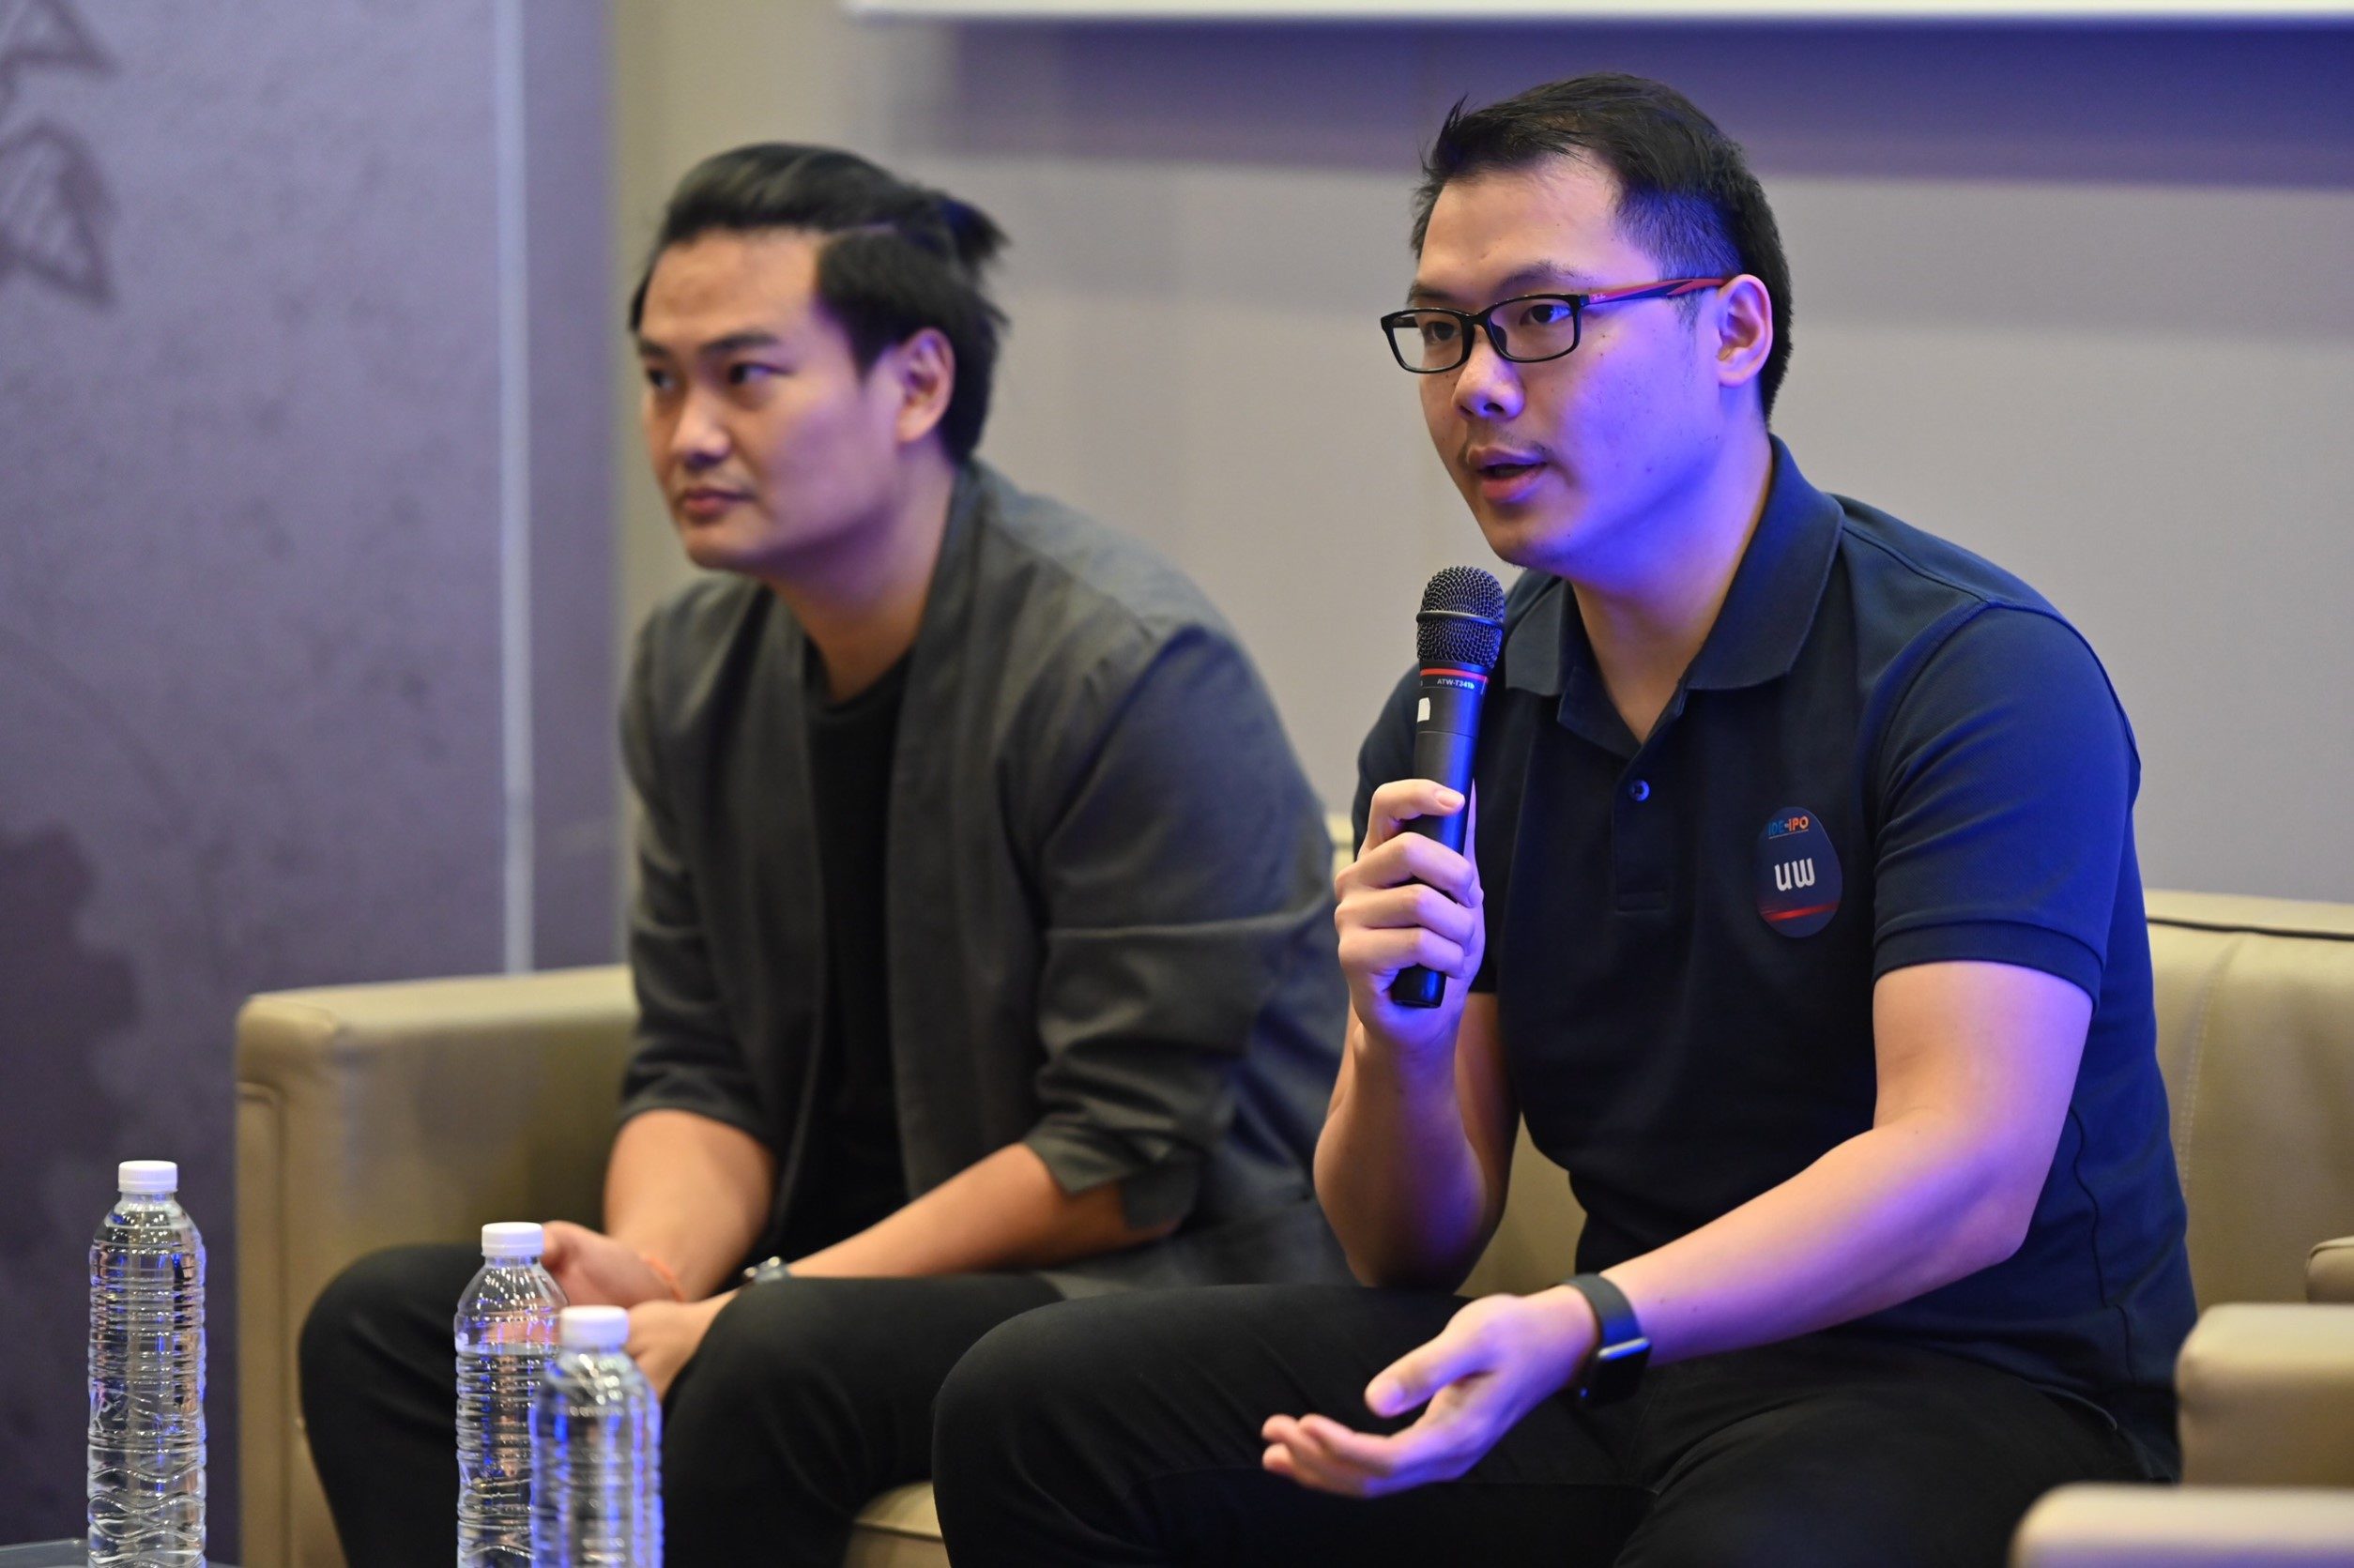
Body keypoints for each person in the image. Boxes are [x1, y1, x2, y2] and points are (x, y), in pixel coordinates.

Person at [930, 72, 2194, 1568]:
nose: (1475, 384)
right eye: (1444, 330)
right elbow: (1401, 1246)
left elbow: (1964, 1174)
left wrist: (1589, 1318)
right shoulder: (1467, 709)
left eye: (1541, 317)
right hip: (1629, 1370)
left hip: (1974, 1390)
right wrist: (1398, 1044)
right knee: (1035, 1405)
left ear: (1734, 330)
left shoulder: (1972, 670)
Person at [298, 144, 1350, 1566]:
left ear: (916, 385)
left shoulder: (1129, 667)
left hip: (1149, 1287)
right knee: (387, 1326)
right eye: (661, 379)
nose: (688, 434)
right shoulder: (693, 666)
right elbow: (703, 1065)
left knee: (776, 1359)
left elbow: (1122, 1159)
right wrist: (654, 1277)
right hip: (831, 1285)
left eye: (746, 376)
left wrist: (758, 1303)